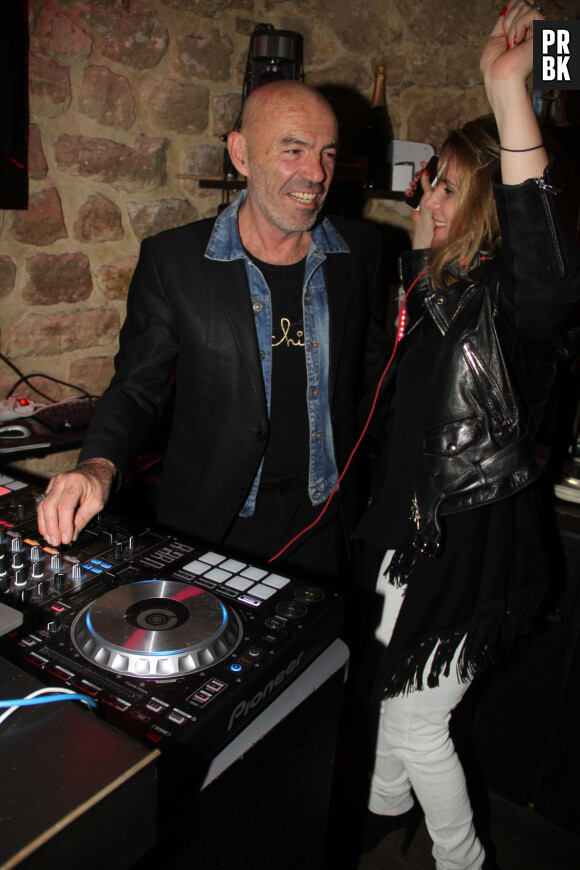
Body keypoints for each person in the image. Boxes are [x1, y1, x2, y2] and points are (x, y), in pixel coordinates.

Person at [352, 2, 580, 869]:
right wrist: (419, 253)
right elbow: (403, 402)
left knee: (417, 717)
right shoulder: (439, 292)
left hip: (470, 540)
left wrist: (504, 88)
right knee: (385, 684)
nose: (427, 195)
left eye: (447, 184)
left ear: (488, 195)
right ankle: (378, 813)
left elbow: (548, 260)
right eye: (429, 182)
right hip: (411, 527)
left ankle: (462, 860)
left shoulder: (516, 304)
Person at [36, 79, 388, 587]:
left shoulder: (362, 251)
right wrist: (96, 467)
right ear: (241, 153)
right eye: (293, 150)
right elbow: (137, 389)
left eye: (327, 153)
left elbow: (375, 380)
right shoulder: (174, 261)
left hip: (326, 524)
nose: (315, 173)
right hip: (213, 528)